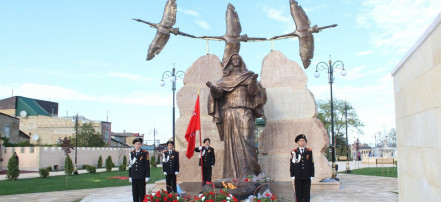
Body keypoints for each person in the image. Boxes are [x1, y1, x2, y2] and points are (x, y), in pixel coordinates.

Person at [207, 53, 266, 179]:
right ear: (229, 62)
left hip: (245, 110)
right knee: (231, 144)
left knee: (247, 140)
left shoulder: (248, 75)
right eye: (233, 59)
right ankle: (233, 175)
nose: (235, 60)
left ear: (241, 61)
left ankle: (252, 174)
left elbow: (254, 92)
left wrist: (254, 82)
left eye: (237, 58)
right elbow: (218, 95)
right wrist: (212, 88)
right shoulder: (223, 80)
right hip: (229, 112)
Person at [290, 134, 314, 202]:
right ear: (297, 142)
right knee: (298, 193)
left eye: (303, 140)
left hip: (307, 176)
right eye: (300, 140)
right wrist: (292, 174)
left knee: (306, 193)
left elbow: (311, 163)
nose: (302, 142)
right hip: (298, 175)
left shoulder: (309, 151)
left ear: (305, 142)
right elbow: (292, 164)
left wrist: (312, 174)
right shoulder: (294, 152)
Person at [128, 138, 150, 202]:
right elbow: (130, 165)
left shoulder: (144, 153)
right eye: (136, 144)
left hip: (141, 176)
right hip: (134, 176)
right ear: (134, 145)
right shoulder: (131, 153)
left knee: (142, 193)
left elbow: (147, 165)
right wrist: (130, 176)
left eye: (139, 144)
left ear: (141, 145)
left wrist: (147, 176)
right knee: (135, 193)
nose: (137, 145)